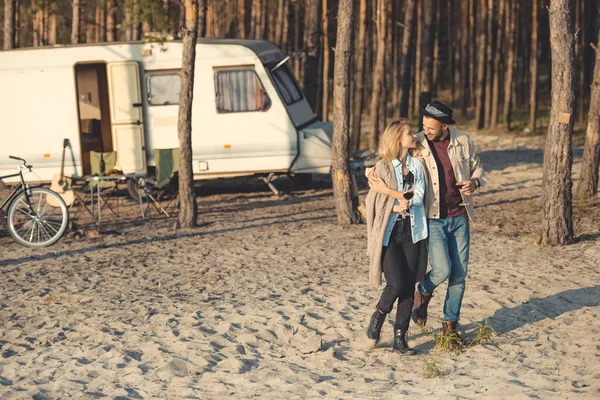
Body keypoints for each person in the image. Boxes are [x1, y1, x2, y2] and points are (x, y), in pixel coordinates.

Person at [365, 119, 428, 355]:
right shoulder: (381, 168)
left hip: (413, 232)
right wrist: (392, 205)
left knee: (408, 288)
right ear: (397, 139)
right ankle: (379, 316)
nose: (414, 135)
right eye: (409, 133)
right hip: (389, 234)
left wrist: (388, 192)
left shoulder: (417, 166)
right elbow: (372, 201)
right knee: (395, 283)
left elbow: (417, 196)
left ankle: (399, 338)